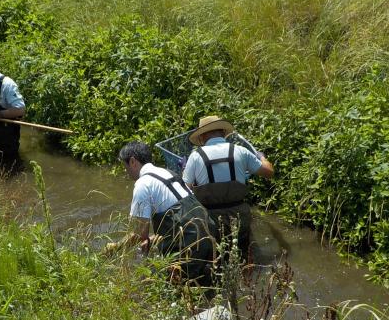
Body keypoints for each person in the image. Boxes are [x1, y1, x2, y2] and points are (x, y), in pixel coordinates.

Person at [111, 141, 216, 285]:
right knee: (204, 284)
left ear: (133, 161)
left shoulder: (143, 184)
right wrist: (155, 239)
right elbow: (182, 217)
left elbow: (139, 235)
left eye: (125, 166)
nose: (125, 171)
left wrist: (114, 248)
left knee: (175, 290)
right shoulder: (169, 173)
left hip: (189, 243)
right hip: (209, 233)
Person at [182, 116, 274, 261]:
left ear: (202, 137)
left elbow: (184, 192)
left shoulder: (195, 157)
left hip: (210, 221)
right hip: (239, 217)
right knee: (243, 256)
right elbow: (269, 172)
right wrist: (262, 157)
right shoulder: (241, 151)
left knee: (215, 260)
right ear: (224, 132)